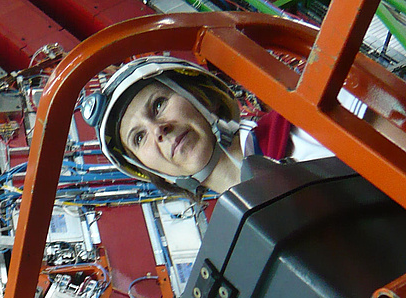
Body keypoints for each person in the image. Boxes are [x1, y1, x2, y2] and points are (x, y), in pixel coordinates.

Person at [80, 56, 363, 198]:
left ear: (206, 96)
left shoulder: (317, 114)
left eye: (158, 105)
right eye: (139, 137)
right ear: (156, 175)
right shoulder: (233, 259)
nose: (158, 130)